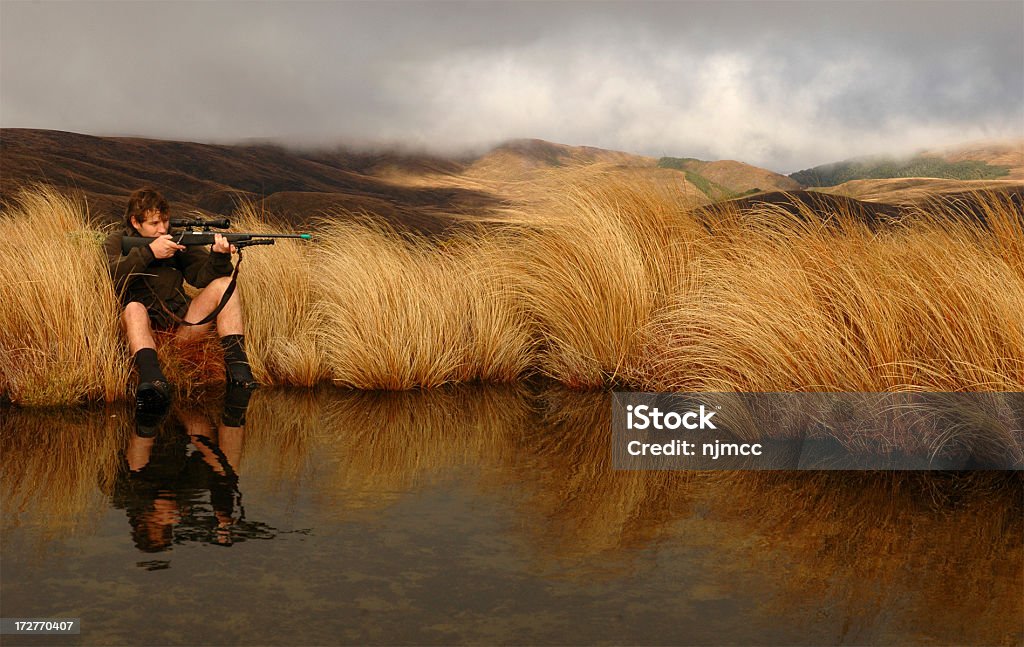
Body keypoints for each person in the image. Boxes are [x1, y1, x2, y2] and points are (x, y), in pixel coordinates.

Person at [104, 188, 256, 408]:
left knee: (224, 285)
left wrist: (219, 256)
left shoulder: (176, 239)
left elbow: (201, 277)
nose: (163, 229)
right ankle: (153, 380)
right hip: (142, 332)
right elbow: (111, 275)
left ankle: (240, 373)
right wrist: (149, 253)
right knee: (134, 308)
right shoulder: (117, 241)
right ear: (135, 222)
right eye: (154, 224)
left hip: (182, 328)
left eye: (165, 222)